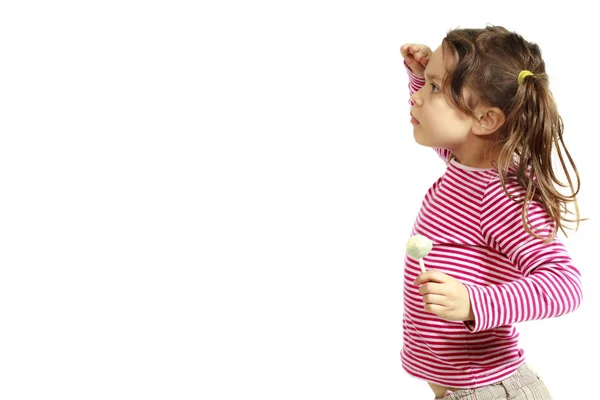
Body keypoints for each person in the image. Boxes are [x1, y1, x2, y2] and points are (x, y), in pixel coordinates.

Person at [399, 25, 585, 400]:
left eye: (435, 89)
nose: (418, 99)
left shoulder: (500, 196)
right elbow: (449, 132)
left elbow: (566, 286)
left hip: (489, 391)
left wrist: (473, 303)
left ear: (486, 120)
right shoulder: (466, 163)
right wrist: (420, 77)